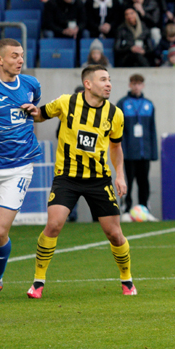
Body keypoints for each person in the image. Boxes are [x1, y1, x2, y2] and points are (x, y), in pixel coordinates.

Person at [24, 65, 135, 299]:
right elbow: (41, 114)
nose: (108, 84)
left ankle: (127, 280)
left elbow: (116, 147)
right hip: (67, 177)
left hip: (99, 180)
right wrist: (28, 109)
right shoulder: (66, 103)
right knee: (54, 225)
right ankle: (38, 282)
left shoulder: (115, 114)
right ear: (88, 84)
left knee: (114, 233)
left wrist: (120, 175)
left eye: (109, 79)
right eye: (103, 79)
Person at [0, 40, 42, 300]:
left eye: (22, 55)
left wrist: (35, 112)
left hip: (18, 168)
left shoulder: (31, 84)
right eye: (14, 56)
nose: (20, 60)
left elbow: (36, 114)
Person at [116, 74, 157, 217]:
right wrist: (122, 152)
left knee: (144, 182)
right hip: (128, 153)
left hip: (144, 152)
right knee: (128, 182)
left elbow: (152, 130)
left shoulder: (149, 104)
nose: (136, 86)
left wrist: (153, 153)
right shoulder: (122, 104)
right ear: (130, 85)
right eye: (134, 83)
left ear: (143, 85)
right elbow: (118, 131)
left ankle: (145, 208)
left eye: (139, 84)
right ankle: (126, 210)